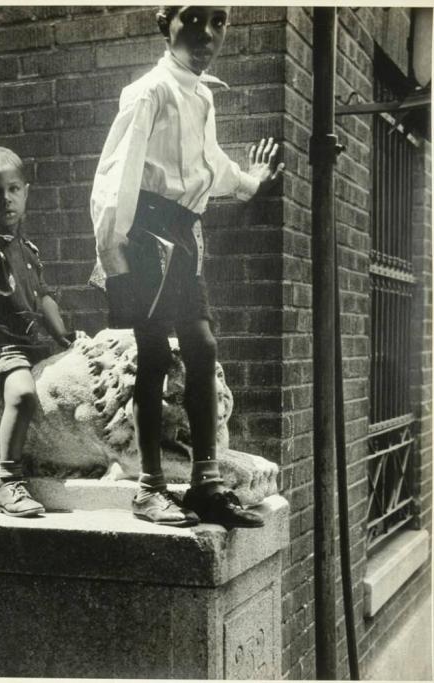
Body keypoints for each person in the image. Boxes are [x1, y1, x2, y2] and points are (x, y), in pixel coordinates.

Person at [90, 6, 284, 528]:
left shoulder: (201, 94)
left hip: (183, 234)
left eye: (218, 21)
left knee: (202, 347)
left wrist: (250, 181)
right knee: (152, 356)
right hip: (145, 232)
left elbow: (209, 164)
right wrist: (115, 257)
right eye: (192, 19)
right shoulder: (148, 92)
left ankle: (206, 484)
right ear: (164, 24)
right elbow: (115, 177)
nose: (206, 34)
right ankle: (149, 488)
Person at [0, 146, 75, 517]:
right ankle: (8, 481)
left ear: (25, 192)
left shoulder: (28, 248)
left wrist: (64, 337)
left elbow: (44, 298)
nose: (5, 199)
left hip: (35, 342)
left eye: (13, 189)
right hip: (5, 346)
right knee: (22, 394)